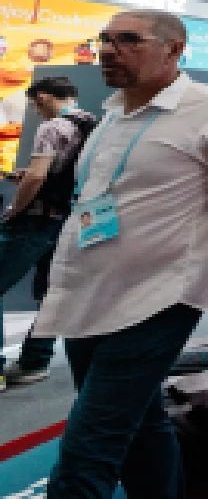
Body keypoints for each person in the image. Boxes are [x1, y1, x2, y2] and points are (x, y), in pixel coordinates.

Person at [36, 10, 208, 497]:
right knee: (142, 424)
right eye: (104, 39)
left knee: (89, 445)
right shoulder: (111, 114)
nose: (108, 49)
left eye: (128, 40)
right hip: (89, 293)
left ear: (173, 48)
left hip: (159, 297)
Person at [0, 77, 97, 388]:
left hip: (36, 221)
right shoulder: (90, 123)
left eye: (32, 102)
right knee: (50, 294)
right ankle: (35, 361)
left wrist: (15, 208)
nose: (33, 109)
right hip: (67, 220)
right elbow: (64, 171)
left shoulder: (52, 127)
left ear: (42, 96)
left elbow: (38, 175)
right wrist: (30, 175)